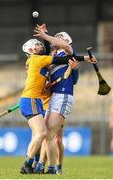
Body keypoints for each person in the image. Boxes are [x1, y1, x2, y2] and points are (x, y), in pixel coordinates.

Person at [19, 35, 97, 174]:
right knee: (43, 134)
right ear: (31, 49)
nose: (41, 46)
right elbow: (62, 59)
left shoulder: (41, 60)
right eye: (37, 45)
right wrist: (86, 58)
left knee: (45, 135)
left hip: (41, 100)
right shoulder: (38, 59)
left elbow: (69, 72)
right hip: (32, 99)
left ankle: (39, 166)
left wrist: (75, 68)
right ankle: (32, 164)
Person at [33, 26, 90, 174]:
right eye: (56, 37)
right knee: (47, 134)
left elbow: (74, 81)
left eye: (61, 37)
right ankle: (43, 166)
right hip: (54, 98)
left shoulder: (68, 51)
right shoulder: (55, 56)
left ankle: (50, 167)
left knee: (51, 135)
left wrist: (45, 35)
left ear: (67, 42)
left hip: (63, 96)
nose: (57, 38)